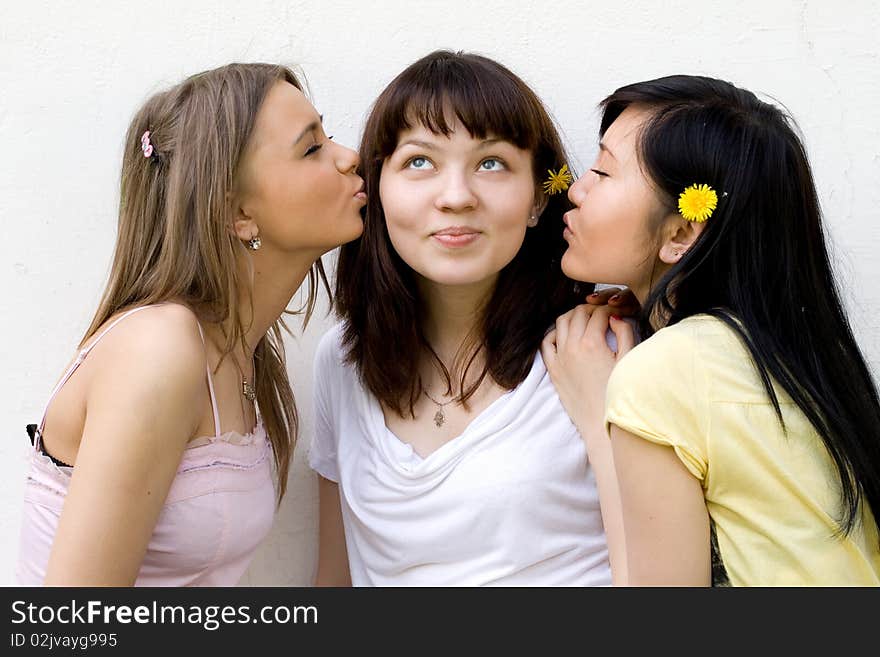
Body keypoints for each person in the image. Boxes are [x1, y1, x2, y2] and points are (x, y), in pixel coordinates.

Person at [16, 62, 366, 586]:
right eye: (311, 148)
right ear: (236, 213)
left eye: (329, 135)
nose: (350, 157)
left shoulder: (240, 353)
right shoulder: (159, 348)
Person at [308, 50, 631, 586]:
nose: (456, 197)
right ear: (377, 189)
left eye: (491, 163)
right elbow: (334, 582)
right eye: (419, 162)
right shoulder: (342, 359)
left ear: (536, 199)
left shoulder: (602, 351)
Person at [543, 74, 880, 586]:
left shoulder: (666, 371)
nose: (577, 188)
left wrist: (598, 410)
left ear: (680, 232)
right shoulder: (793, 353)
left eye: (603, 172)